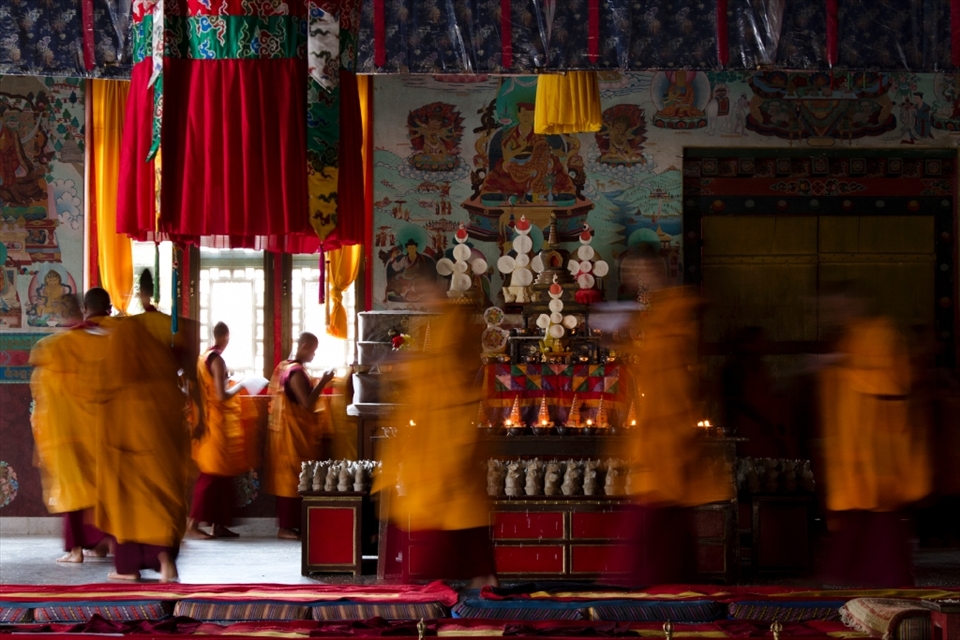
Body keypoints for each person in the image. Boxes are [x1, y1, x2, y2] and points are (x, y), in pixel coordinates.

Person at [605, 256, 733, 585]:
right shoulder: (655, 318)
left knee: (660, 528)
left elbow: (683, 375)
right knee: (660, 531)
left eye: (642, 269)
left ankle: (667, 598)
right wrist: (615, 340)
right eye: (632, 272)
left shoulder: (678, 310)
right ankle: (667, 593)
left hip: (672, 435)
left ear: (659, 271)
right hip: (654, 437)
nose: (637, 277)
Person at [374, 301, 498, 587]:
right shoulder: (435, 373)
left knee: (450, 562)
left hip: (447, 481)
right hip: (435, 482)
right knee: (446, 563)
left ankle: (462, 611)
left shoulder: (447, 375)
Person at [818, 296, 933, 587]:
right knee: (859, 530)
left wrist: (844, 366)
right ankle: (853, 587)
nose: (836, 314)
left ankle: (884, 587)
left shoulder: (882, 336)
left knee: (880, 529)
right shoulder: (850, 342)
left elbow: (891, 385)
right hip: (857, 453)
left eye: (839, 307)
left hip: (880, 449)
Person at [94, 289, 191, 582]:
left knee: (129, 503)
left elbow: (106, 395)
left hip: (128, 446)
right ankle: (164, 559)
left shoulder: (121, 380)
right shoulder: (167, 389)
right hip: (162, 443)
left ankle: (127, 568)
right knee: (161, 497)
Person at [29, 290, 114, 563]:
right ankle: (99, 544)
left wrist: (39, 437)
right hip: (94, 429)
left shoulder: (52, 347)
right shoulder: (100, 341)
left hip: (64, 432)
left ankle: (76, 550)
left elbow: (42, 397)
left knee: (71, 490)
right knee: (95, 489)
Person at [264, 333, 334, 539]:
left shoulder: (286, 366)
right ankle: (285, 527)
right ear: (303, 346)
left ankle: (292, 525)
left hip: (293, 433)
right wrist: (324, 382)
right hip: (292, 437)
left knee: (296, 479)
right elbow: (306, 403)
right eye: (312, 349)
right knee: (292, 480)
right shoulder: (294, 372)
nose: (314, 354)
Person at [187, 322, 247, 539]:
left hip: (209, 421)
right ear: (226, 336)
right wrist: (242, 385)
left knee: (222, 475)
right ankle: (193, 525)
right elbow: (221, 396)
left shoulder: (203, 357)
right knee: (211, 475)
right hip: (216, 424)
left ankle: (218, 524)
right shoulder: (217, 360)